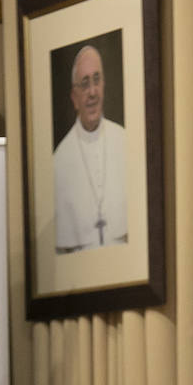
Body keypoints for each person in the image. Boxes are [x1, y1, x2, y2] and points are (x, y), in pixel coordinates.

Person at [53, 44, 127, 252]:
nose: (92, 92)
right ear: (74, 98)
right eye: (84, 84)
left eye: (96, 80)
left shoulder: (125, 141)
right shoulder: (59, 160)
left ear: (104, 85)